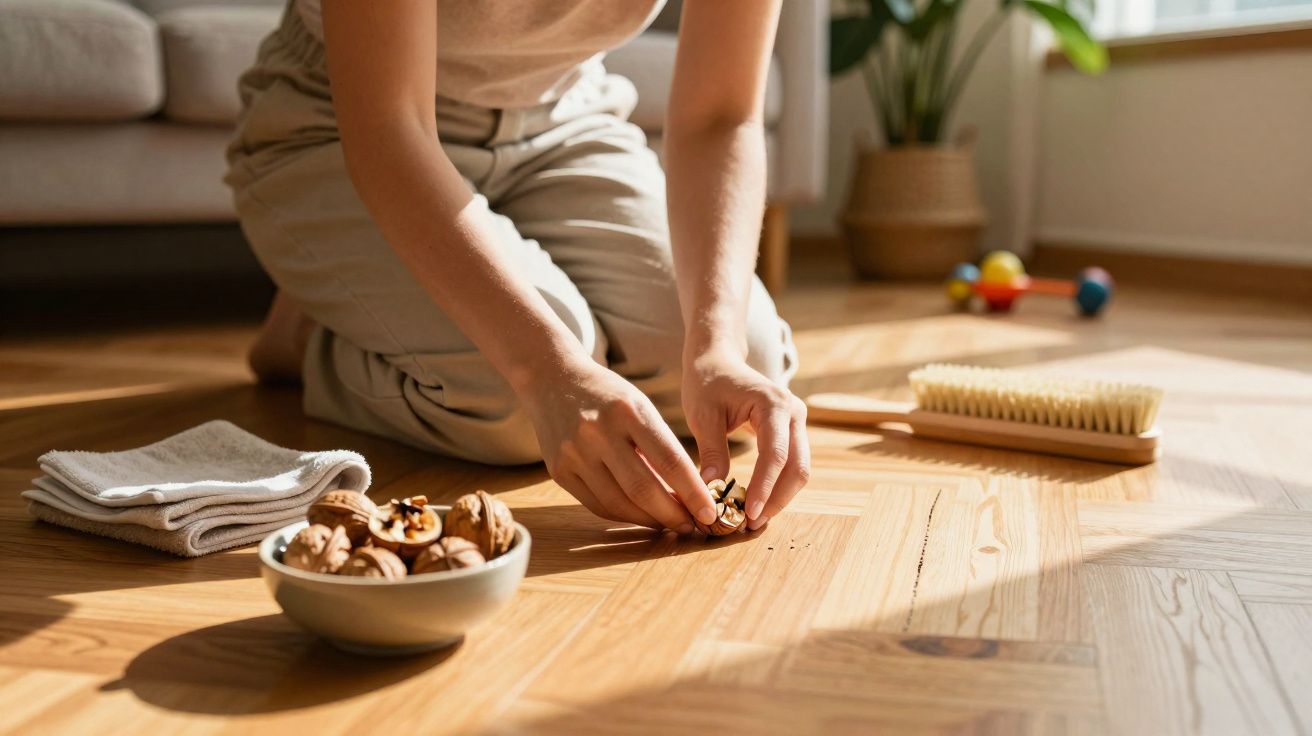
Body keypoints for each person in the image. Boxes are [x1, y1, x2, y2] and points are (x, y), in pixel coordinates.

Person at [225, 0, 811, 536]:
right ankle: (307, 339)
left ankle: (386, 305)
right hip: (346, 121)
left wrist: (717, 347)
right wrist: (548, 368)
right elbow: (388, 125)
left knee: (748, 359)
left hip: (563, 124)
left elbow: (721, 115)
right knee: (516, 402)